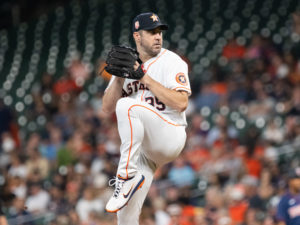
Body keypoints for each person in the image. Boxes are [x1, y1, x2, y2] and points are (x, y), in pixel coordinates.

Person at [102, 12, 191, 225]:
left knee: (127, 105)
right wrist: (118, 79)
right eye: (151, 32)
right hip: (145, 152)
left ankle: (124, 178)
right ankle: (129, 183)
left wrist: (143, 77)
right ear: (137, 36)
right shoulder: (127, 63)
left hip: (170, 132)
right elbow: (106, 108)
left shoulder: (172, 61)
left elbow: (181, 103)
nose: (158, 36)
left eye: (159, 32)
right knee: (124, 213)